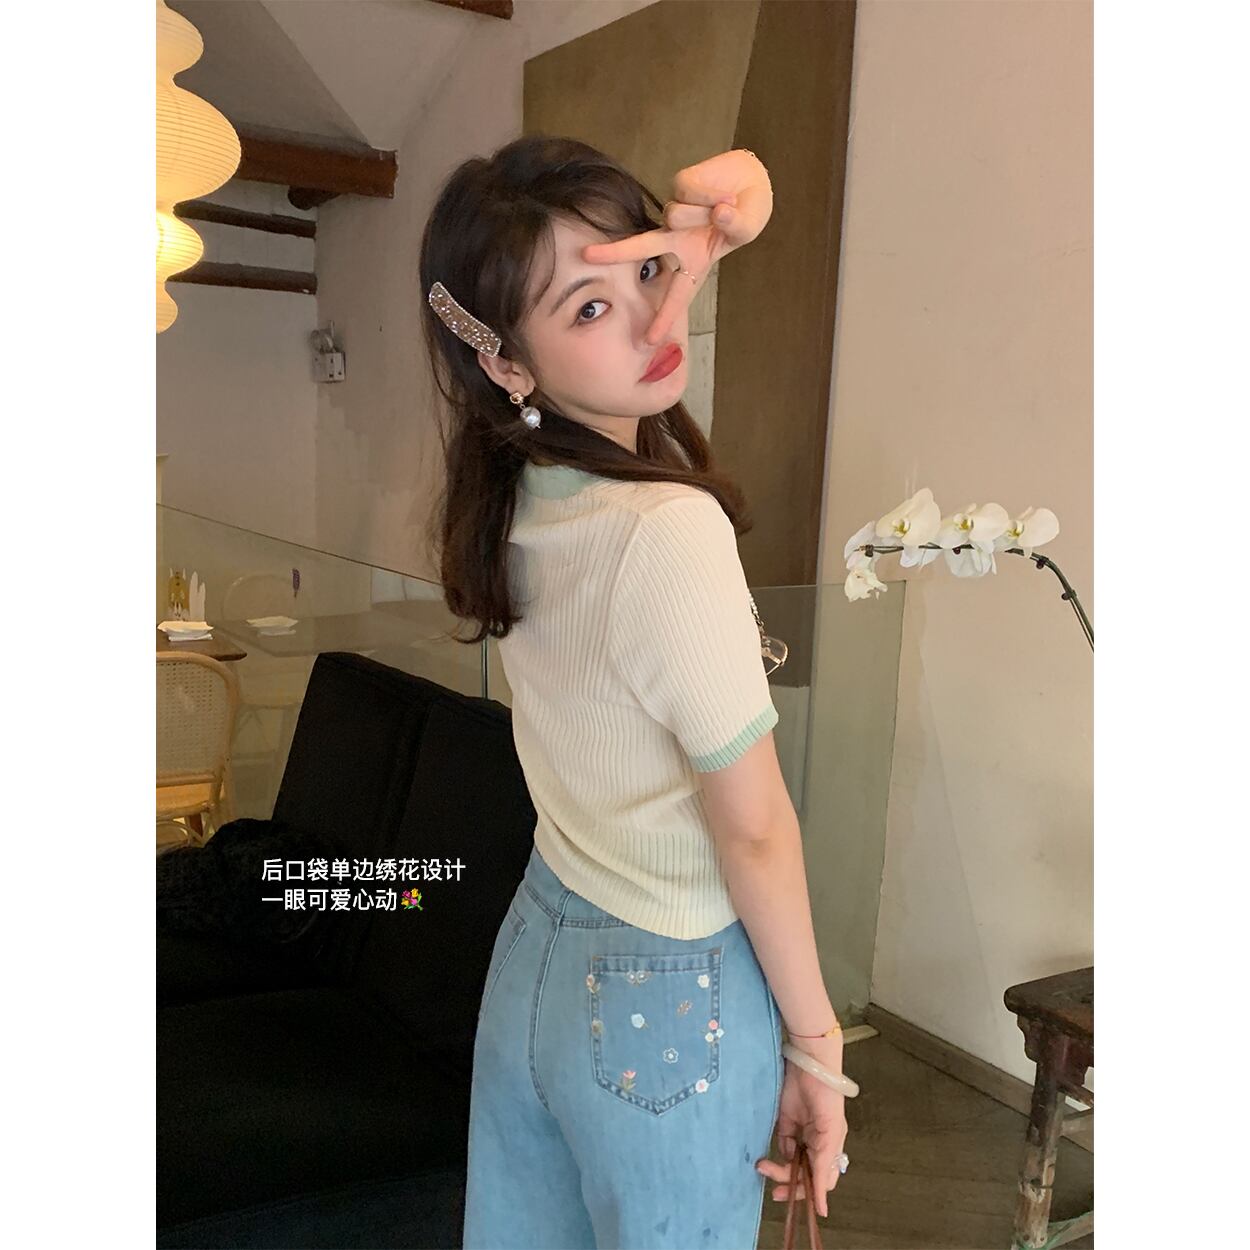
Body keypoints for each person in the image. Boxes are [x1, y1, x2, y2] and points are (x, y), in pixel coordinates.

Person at [418, 135, 851, 1249]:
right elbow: (752, 829)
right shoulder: (664, 529)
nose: (657, 323)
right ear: (507, 363)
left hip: (537, 956)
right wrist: (818, 1047)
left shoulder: (516, 500)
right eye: (588, 308)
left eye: (649, 272)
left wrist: (694, 244)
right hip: (666, 989)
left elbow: (641, 313)